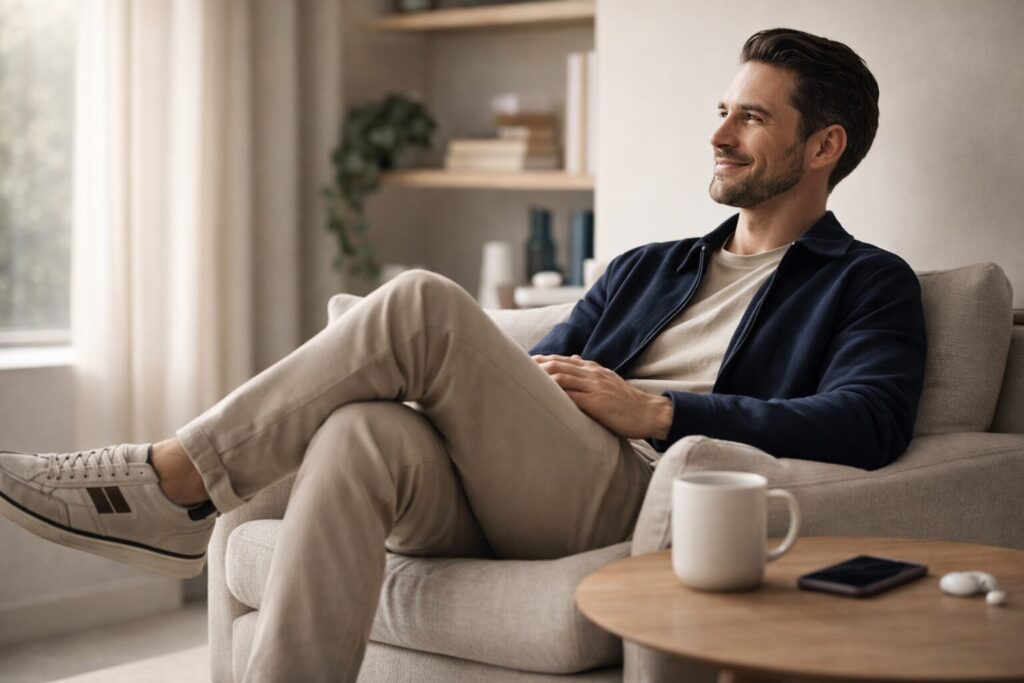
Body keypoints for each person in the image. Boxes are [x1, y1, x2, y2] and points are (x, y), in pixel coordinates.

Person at [0, 28, 925, 682]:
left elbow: (870, 422)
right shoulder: (651, 267)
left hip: (639, 488)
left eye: (753, 119)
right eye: (724, 109)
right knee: (362, 431)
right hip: (542, 472)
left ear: (823, 146)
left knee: (419, 302)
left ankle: (170, 483)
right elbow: (530, 375)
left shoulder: (867, 282)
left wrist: (663, 410)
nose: (720, 133)